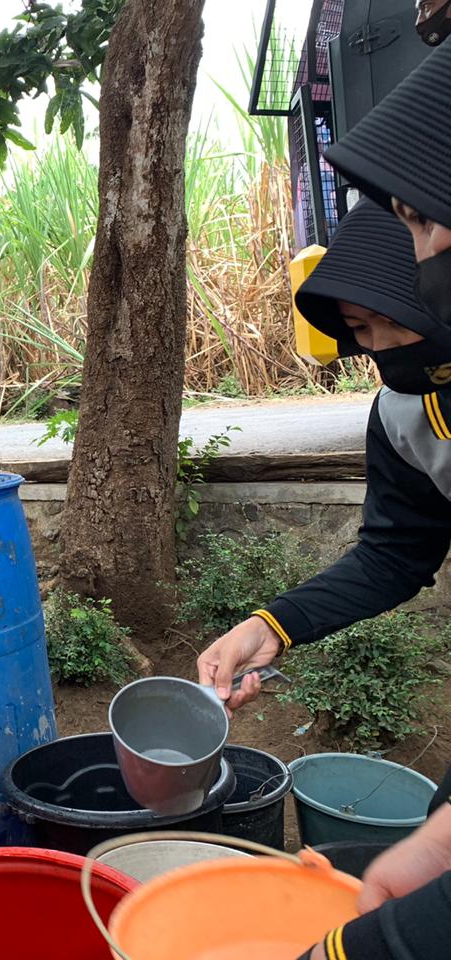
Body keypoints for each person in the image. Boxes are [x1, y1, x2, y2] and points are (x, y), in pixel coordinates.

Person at [199, 44, 451, 957]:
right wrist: (269, 626)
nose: (380, 343)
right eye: (359, 329)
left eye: (391, 313)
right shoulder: (404, 413)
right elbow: (394, 552)